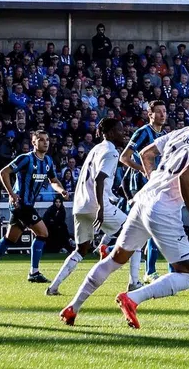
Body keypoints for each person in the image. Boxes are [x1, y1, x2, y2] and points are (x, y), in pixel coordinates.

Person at [59, 99, 189, 329]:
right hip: (164, 208)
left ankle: (72, 307)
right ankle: (132, 298)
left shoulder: (181, 132)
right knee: (187, 275)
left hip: (143, 199)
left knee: (115, 258)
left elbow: (146, 153)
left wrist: (153, 178)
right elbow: (186, 177)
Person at [48, 117, 126, 297]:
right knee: (133, 231)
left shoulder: (95, 150)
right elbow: (99, 179)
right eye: (120, 130)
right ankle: (134, 282)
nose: (123, 133)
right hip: (96, 204)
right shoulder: (112, 152)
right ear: (110, 133)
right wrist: (101, 206)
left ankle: (53, 287)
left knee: (81, 249)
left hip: (80, 205)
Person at [0, 130, 66, 284]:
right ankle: (34, 272)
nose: (45, 142)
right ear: (34, 143)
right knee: (43, 234)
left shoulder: (48, 161)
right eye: (41, 140)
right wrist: (11, 194)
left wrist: (61, 190)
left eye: (47, 139)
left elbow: (53, 180)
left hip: (26, 205)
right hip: (21, 204)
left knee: (11, 238)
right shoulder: (26, 159)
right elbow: (4, 172)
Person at [117, 100, 167, 282]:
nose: (162, 114)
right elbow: (124, 157)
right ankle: (110, 250)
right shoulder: (143, 132)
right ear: (150, 114)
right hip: (137, 187)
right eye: (159, 111)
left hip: (154, 186)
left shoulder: (165, 135)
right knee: (137, 231)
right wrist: (143, 169)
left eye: (164, 111)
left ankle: (150, 271)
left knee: (152, 227)